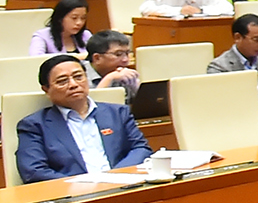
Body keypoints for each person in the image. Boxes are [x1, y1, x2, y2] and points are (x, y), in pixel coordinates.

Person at [14, 55, 154, 181]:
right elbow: (33, 171)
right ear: (46, 90)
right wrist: (83, 185)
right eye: (63, 81)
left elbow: (141, 148)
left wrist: (113, 177)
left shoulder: (117, 113)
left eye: (78, 77)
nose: (74, 85)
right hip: (73, 197)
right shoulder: (34, 125)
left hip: (122, 186)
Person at [83, 30, 140, 95]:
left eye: (127, 53)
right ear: (97, 58)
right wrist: (109, 78)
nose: (125, 59)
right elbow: (91, 103)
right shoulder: (78, 75)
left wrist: (135, 86)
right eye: (118, 54)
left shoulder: (122, 73)